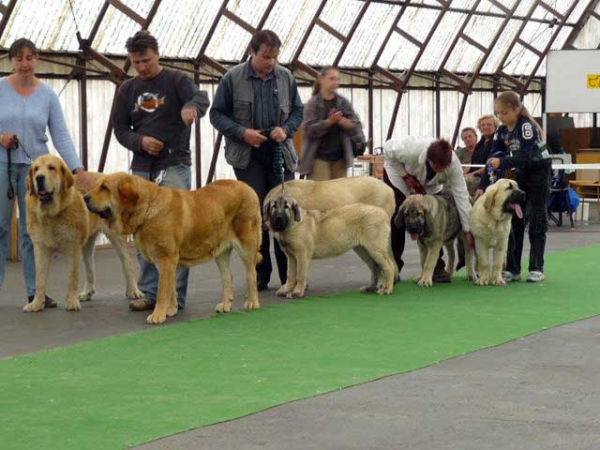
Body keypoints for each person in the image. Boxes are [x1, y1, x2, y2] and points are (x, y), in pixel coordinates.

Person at [112, 30, 210, 311]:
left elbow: (202, 99)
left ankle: (174, 296)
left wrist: (191, 107)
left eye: (146, 61)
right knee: (141, 230)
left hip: (175, 163)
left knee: (174, 232)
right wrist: (139, 141)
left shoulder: (178, 80)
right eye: (136, 62)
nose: (142, 67)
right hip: (142, 169)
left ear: (158, 55)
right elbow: (119, 129)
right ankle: (151, 293)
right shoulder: (127, 90)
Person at [0, 38, 95, 308]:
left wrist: (77, 169)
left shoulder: (48, 95)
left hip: (36, 169)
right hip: (3, 165)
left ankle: (36, 293)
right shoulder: (0, 88)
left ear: (37, 59)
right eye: (19, 59)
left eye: (29, 58)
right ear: (12, 61)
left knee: (32, 233)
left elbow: (61, 135)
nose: (24, 64)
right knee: (0, 227)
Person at [210, 29, 304, 291]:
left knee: (285, 208)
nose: (271, 62)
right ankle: (260, 274)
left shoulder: (286, 78)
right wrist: (243, 133)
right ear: (252, 52)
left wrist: (286, 130)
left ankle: (290, 276)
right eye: (265, 56)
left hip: (280, 152)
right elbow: (216, 115)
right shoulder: (232, 78)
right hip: (247, 156)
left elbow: (298, 111)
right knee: (258, 213)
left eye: (274, 57)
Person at [475, 91, 551, 283]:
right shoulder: (501, 131)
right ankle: (512, 269)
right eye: (498, 113)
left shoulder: (526, 126)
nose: (501, 117)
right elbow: (492, 159)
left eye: (505, 113)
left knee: (537, 217)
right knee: (515, 218)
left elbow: (524, 156)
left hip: (539, 170)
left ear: (516, 109)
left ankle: (536, 267)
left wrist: (502, 162)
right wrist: (483, 185)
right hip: (521, 171)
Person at [382, 136, 474, 283]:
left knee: (435, 220)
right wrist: (404, 175)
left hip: (429, 183)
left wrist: (468, 228)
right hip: (397, 173)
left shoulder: (454, 165)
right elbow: (387, 150)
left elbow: (461, 195)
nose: (442, 170)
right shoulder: (409, 148)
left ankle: (436, 269)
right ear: (429, 158)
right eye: (437, 167)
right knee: (397, 217)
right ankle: (392, 268)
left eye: (444, 168)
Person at [298, 66, 366, 180]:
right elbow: (309, 130)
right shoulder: (313, 104)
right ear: (321, 80)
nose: (336, 82)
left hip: (340, 158)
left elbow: (357, 125)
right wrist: (329, 122)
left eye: (337, 79)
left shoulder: (343, 102)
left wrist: (343, 122)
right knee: (321, 192)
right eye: (332, 78)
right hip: (318, 158)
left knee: (338, 195)